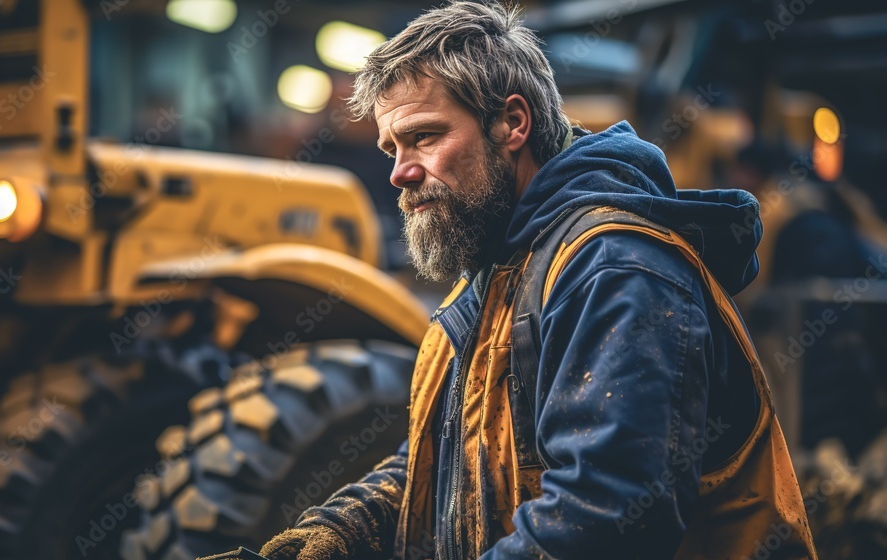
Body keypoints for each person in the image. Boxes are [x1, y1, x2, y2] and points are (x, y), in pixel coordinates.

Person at [258, 2, 817, 558]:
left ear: (512, 124)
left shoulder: (613, 268)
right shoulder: (491, 271)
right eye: (391, 148)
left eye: (424, 137)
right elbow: (445, 454)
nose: (399, 172)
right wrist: (338, 530)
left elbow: (605, 521)